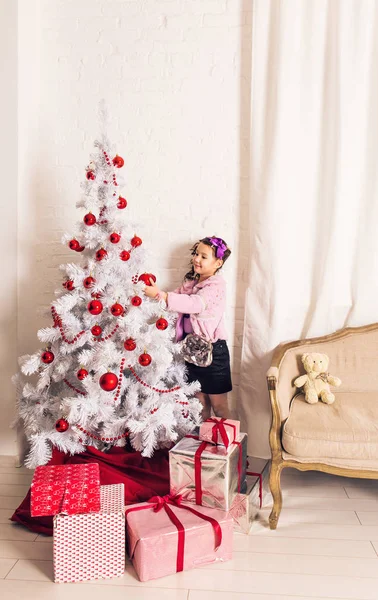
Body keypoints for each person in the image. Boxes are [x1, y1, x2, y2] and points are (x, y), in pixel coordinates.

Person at [144, 236, 232, 421]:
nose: (196, 259)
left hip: (213, 352)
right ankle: (203, 445)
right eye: (196, 254)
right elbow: (172, 299)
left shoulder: (216, 286)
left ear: (218, 262)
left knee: (220, 406)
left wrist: (162, 295)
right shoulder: (191, 284)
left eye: (204, 256)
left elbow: (194, 304)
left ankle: (231, 445)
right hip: (191, 351)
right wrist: (156, 295)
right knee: (198, 404)